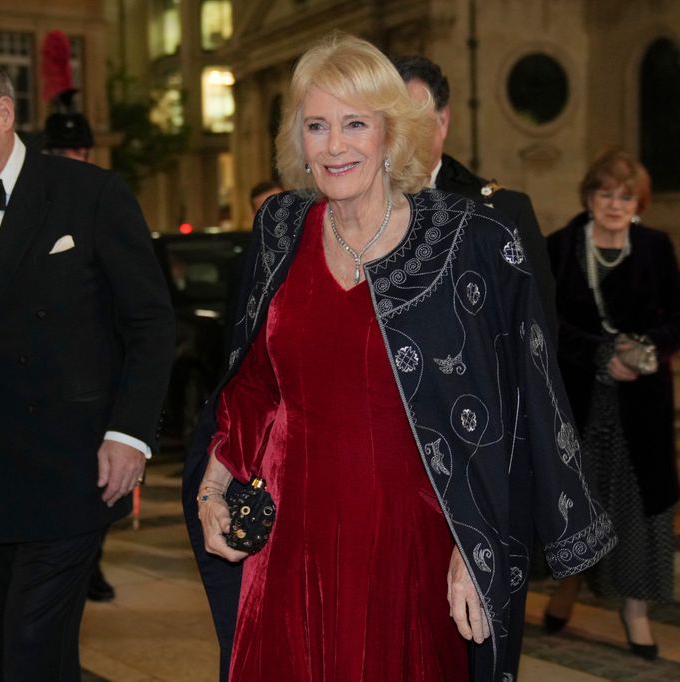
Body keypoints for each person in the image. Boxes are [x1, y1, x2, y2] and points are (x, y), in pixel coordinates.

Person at [182, 32, 615, 682]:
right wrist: (213, 488)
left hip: (407, 540)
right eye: (316, 125)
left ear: (392, 132)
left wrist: (476, 544)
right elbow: (253, 384)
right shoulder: (280, 231)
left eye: (355, 124)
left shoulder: (464, 240)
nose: (334, 145)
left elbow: (504, 408)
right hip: (289, 542)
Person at [0, 48, 175, 680]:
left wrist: (129, 432)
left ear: (2, 114)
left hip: (72, 469)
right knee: (16, 654)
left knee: (29, 650)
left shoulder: (92, 194)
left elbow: (151, 322)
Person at [543, 148, 680, 660]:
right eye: (605, 193)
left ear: (639, 202)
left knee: (632, 509)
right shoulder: (561, 247)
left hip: (641, 405)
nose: (614, 203)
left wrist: (645, 350)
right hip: (581, 400)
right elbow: (546, 323)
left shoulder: (655, 247)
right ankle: (570, 584)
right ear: (589, 197)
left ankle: (635, 609)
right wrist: (599, 354)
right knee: (577, 501)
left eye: (625, 195)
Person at [392, 55, 556, 338]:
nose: (402, 135)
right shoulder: (355, 211)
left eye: (414, 120)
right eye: (391, 122)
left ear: (442, 121)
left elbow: (537, 335)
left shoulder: (500, 213)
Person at [40, 106, 118, 604]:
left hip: (100, 369)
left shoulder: (107, 199)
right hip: (49, 374)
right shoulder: (37, 204)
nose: (72, 158)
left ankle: (91, 561)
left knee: (105, 481)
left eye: (79, 150)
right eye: (63, 151)